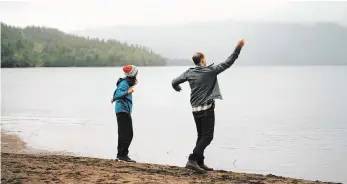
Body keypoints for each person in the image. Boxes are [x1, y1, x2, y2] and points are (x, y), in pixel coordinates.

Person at [171, 39, 245, 173]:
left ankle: (199, 162)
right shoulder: (210, 71)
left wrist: (177, 88)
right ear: (203, 60)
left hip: (194, 109)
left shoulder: (189, 72)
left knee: (201, 135)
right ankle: (192, 159)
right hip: (206, 109)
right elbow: (229, 62)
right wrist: (238, 48)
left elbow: (174, 81)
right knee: (208, 136)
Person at [111, 65, 138, 163]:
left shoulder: (125, 82)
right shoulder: (124, 83)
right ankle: (123, 155)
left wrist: (114, 98)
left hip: (123, 110)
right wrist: (127, 92)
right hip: (122, 111)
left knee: (123, 134)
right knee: (128, 134)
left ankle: (120, 155)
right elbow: (117, 94)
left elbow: (116, 94)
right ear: (133, 74)